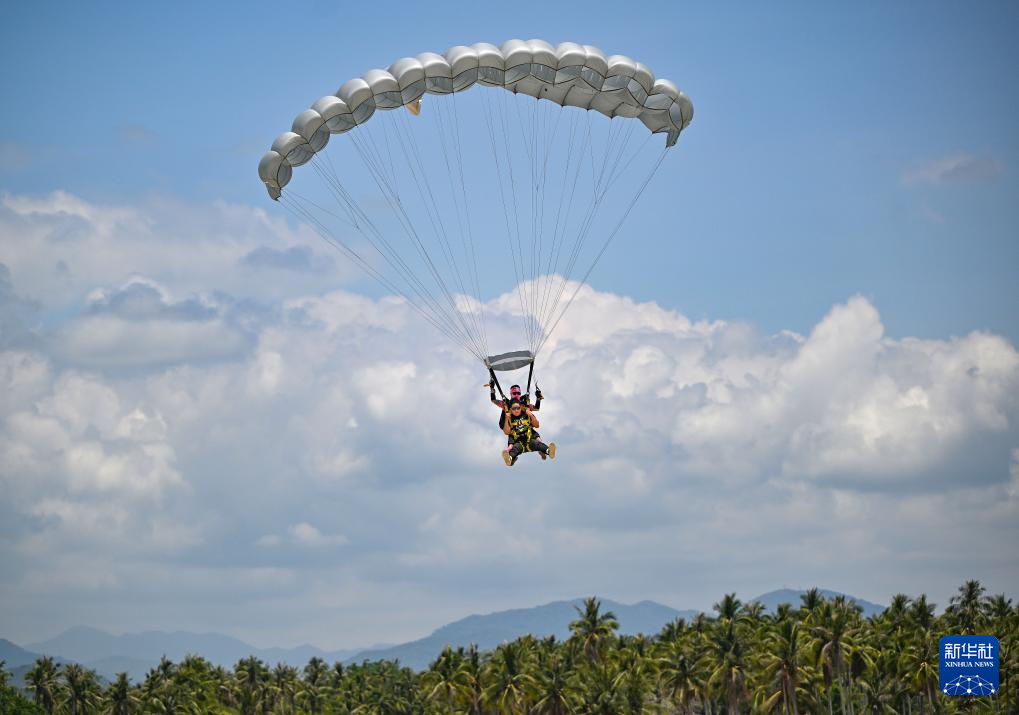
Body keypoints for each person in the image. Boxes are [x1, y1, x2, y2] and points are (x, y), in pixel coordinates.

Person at [501, 399, 555, 466]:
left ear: (520, 407)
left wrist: (531, 415)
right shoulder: (509, 418)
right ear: (511, 409)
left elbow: (537, 425)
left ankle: (549, 451)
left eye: (518, 408)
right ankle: (510, 459)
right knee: (514, 450)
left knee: (540, 445)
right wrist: (506, 419)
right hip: (519, 442)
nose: (516, 410)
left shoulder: (526, 414)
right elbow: (506, 432)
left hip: (530, 440)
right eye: (514, 408)